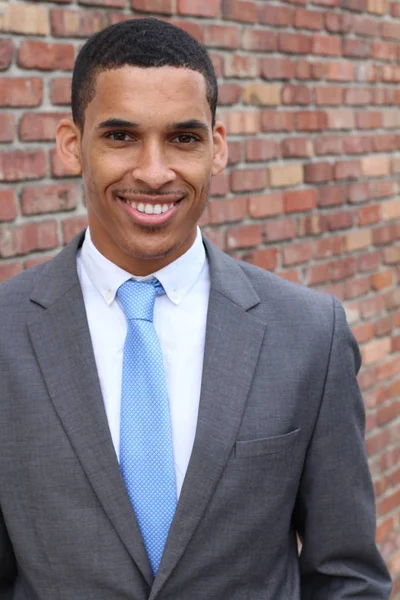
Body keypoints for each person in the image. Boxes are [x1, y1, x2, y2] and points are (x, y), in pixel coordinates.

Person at [0, 17, 392, 600]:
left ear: (218, 148)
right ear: (71, 144)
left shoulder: (310, 333)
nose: (155, 172)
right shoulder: (7, 332)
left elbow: (347, 578)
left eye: (183, 138)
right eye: (121, 136)